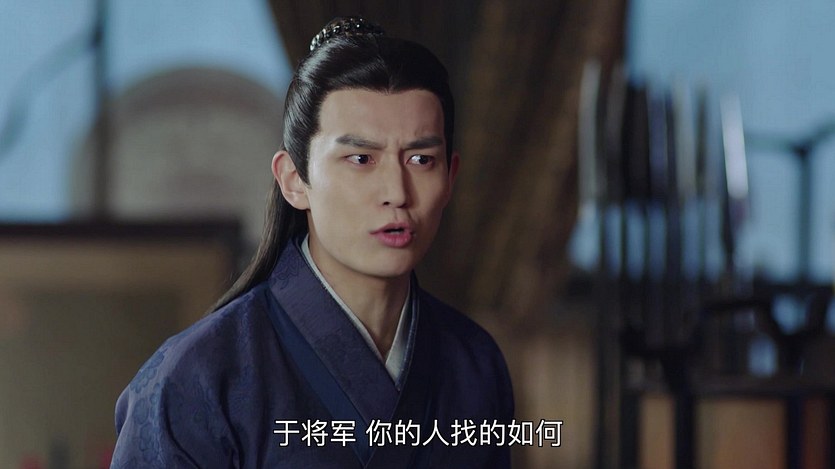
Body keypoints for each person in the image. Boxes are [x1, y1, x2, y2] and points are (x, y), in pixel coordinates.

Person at [111, 16, 514, 468]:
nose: (397, 193)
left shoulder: (474, 362)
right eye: (360, 158)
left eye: (421, 159)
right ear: (294, 179)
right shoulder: (197, 376)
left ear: (451, 177)